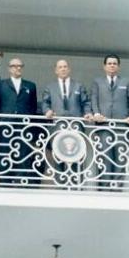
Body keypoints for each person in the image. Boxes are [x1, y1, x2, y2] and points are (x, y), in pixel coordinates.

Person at [42, 59, 92, 187]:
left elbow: (85, 102)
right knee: (58, 156)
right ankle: (60, 185)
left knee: (77, 156)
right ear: (56, 70)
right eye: (60, 67)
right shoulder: (50, 87)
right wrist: (47, 111)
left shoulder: (78, 86)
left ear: (69, 69)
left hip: (75, 126)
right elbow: (45, 103)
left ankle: (76, 186)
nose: (63, 69)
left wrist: (87, 113)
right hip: (58, 126)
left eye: (65, 67)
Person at [91, 54, 129, 189]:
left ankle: (117, 187)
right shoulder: (97, 82)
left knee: (120, 158)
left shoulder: (127, 81)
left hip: (122, 125)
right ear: (104, 66)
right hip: (103, 125)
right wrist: (96, 113)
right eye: (109, 63)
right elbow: (93, 98)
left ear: (118, 66)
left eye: (114, 63)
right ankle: (105, 187)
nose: (112, 65)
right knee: (104, 157)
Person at [0, 58, 38, 186]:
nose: (17, 68)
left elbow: (33, 107)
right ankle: (4, 183)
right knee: (4, 153)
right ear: (9, 68)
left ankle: (21, 183)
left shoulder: (30, 85)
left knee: (23, 153)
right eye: (14, 66)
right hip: (5, 125)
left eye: (20, 66)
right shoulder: (1, 85)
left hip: (24, 125)